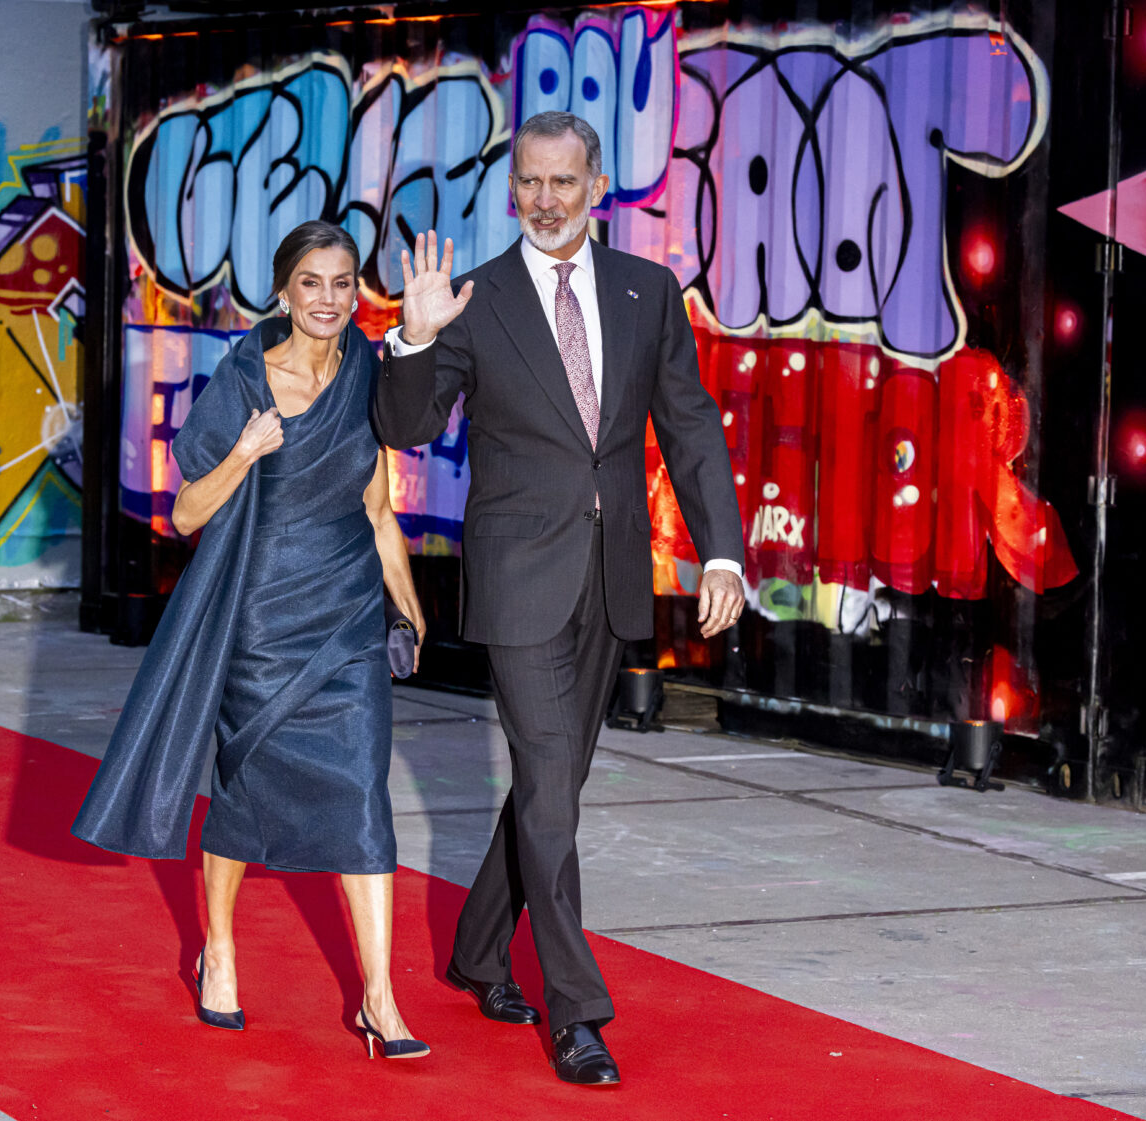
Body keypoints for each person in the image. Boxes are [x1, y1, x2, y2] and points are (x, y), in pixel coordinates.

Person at [373, 111, 746, 1085]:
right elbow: (403, 424)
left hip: (612, 573)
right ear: (511, 188)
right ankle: (578, 1010)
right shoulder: (477, 298)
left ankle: (478, 950)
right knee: (548, 781)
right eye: (530, 183)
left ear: (596, 187)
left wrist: (723, 554)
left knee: (552, 788)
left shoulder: (646, 291)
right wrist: (413, 337)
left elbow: (691, 427)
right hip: (518, 575)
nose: (547, 200)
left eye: (564, 183)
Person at [73, 220, 430, 1059]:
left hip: (345, 618)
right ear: (283, 291)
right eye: (312, 282)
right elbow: (186, 513)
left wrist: (406, 609)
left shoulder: (364, 372)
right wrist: (243, 450)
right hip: (261, 619)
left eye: (343, 284)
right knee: (241, 794)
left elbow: (379, 509)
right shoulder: (242, 380)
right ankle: (220, 950)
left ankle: (380, 996)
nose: (329, 300)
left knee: (363, 792)